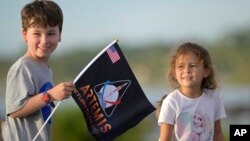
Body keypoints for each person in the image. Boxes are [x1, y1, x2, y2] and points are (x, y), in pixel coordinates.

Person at [2, 1, 75, 141]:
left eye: (51, 33)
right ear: (25, 35)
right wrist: (51, 95)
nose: (44, 40)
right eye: (37, 33)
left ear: (59, 35)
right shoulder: (23, 67)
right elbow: (15, 110)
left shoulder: (46, 69)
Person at [157, 42, 226, 141]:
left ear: (206, 71)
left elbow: (218, 134)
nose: (187, 70)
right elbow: (165, 139)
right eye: (180, 66)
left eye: (192, 65)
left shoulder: (214, 98)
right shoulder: (171, 102)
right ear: (175, 73)